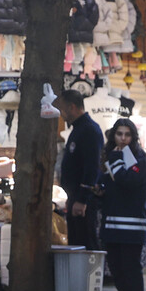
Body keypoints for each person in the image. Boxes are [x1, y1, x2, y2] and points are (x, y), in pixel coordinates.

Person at [93, 118, 146, 291]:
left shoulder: (139, 159)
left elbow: (129, 181)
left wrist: (115, 162)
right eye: (119, 134)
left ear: (133, 137)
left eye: (127, 135)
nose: (123, 139)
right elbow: (111, 184)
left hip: (132, 223)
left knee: (130, 267)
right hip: (112, 222)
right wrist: (100, 190)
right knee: (116, 267)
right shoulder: (110, 156)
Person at [58, 90, 103, 249]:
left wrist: (82, 200)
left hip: (83, 202)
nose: (61, 114)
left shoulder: (89, 130)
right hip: (74, 198)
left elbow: (92, 167)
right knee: (76, 244)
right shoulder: (78, 129)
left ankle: (89, 275)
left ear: (72, 107)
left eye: (62, 109)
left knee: (86, 245)